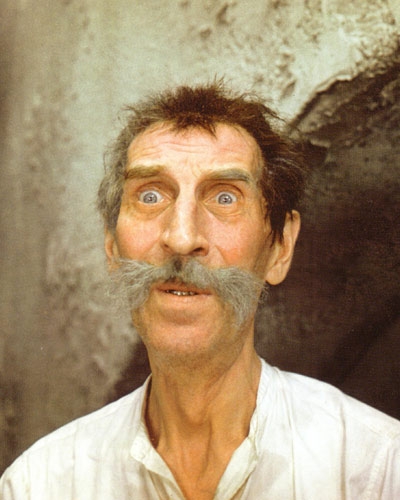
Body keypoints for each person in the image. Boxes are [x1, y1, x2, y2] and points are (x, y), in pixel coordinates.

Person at [1, 81, 399, 500]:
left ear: (280, 246)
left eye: (225, 198)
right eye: (150, 195)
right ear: (112, 246)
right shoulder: (40, 485)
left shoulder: (376, 471)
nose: (182, 237)